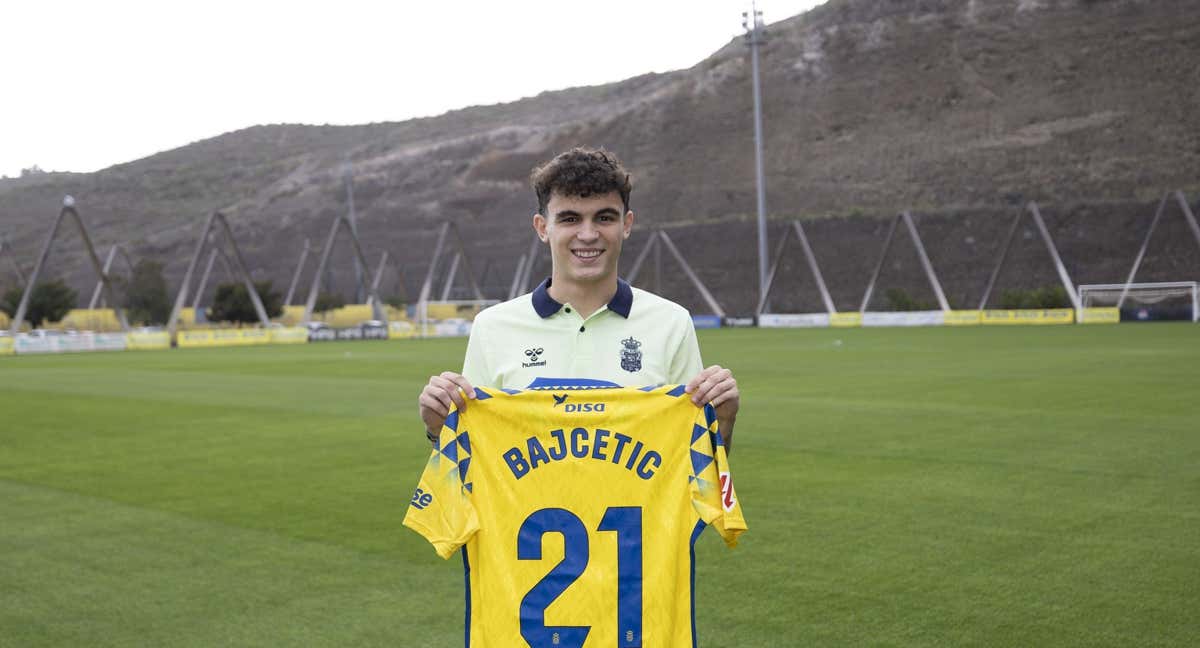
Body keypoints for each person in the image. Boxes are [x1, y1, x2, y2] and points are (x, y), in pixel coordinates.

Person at [417, 147, 740, 450]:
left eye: (604, 217)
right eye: (570, 219)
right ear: (543, 227)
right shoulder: (492, 327)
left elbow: (693, 460)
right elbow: (477, 457)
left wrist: (723, 422)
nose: (588, 234)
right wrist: (439, 429)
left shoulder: (671, 322)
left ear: (626, 225)